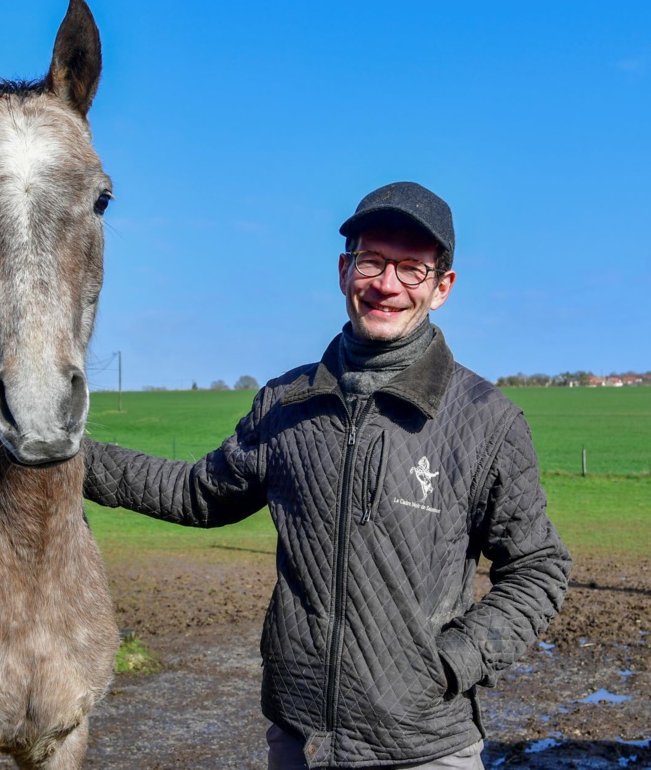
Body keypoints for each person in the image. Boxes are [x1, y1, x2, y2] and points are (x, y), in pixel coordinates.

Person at [83, 181, 571, 769]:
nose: (387, 284)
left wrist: (450, 663)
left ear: (442, 287)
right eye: (372, 261)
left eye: (412, 269)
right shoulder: (286, 404)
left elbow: (539, 568)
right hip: (300, 742)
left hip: (423, 748)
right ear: (344, 271)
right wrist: (69, 457)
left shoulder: (486, 421)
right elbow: (197, 495)